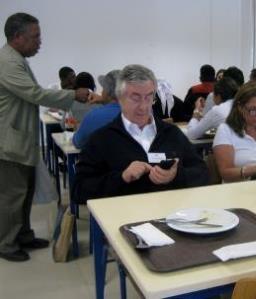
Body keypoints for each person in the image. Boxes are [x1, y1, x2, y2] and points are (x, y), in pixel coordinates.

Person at [0, 12, 90, 262]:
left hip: (20, 141)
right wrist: (73, 95)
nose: (39, 41)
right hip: (9, 142)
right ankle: (7, 244)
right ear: (18, 37)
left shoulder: (16, 58)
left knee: (25, 192)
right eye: (35, 36)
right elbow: (35, 94)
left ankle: (24, 235)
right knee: (12, 195)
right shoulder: (8, 61)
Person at [73, 64, 209, 203]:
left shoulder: (171, 133)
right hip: (123, 222)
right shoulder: (101, 140)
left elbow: (202, 174)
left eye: (149, 97)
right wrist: (122, 177)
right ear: (120, 98)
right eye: (135, 98)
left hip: (171, 219)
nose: (144, 107)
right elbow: (79, 191)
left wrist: (176, 175)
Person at [72, 70, 122, 149]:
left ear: (107, 92)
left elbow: (78, 143)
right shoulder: (139, 116)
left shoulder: (94, 116)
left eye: (103, 88)